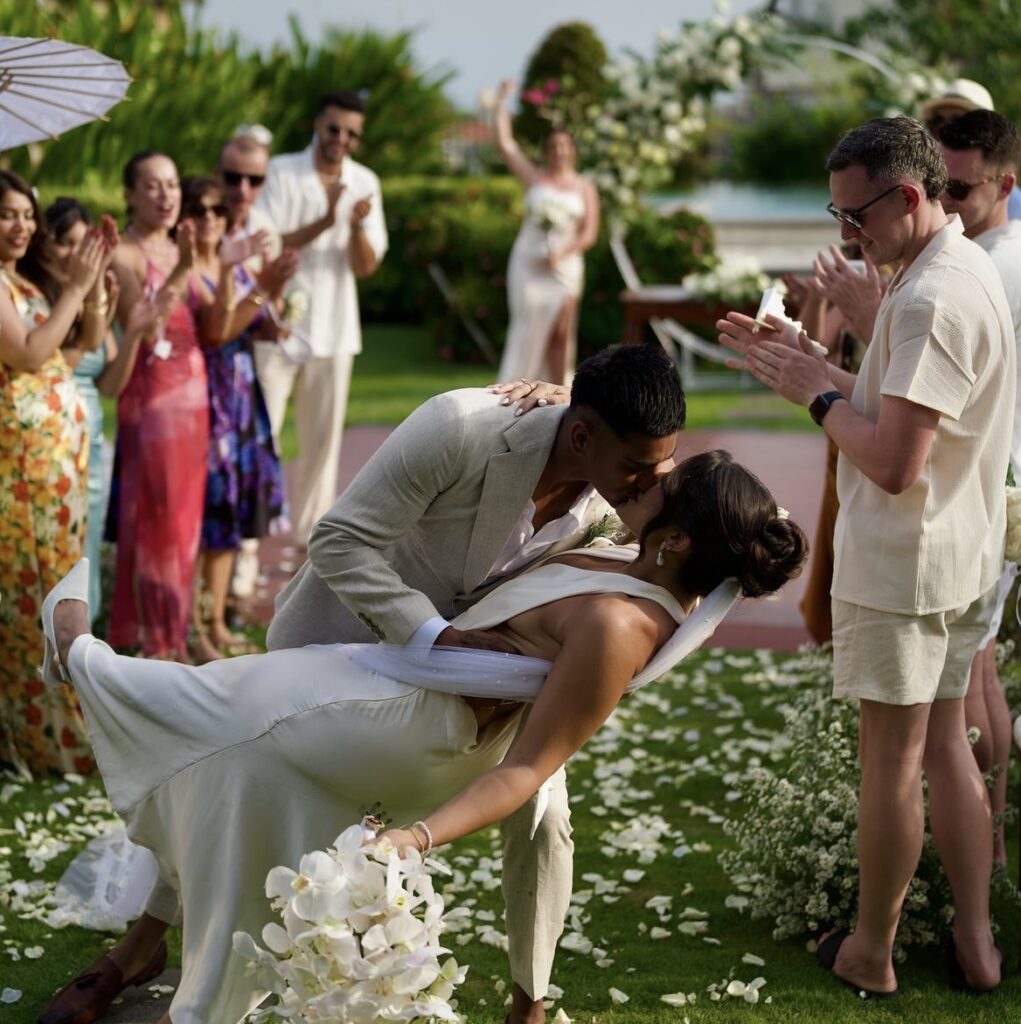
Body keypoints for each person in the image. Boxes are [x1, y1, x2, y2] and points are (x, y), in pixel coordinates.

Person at [41, 450, 808, 1024]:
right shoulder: (637, 555)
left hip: (414, 723)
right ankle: (155, 946)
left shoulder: (618, 626)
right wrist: (555, 400)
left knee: (214, 707)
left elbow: (530, 770)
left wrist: (417, 839)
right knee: (226, 750)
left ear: (675, 542)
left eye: (660, 486)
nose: (641, 476)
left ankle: (78, 654)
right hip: (401, 677)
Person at [718, 116, 1013, 997]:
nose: (847, 235)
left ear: (910, 197)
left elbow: (889, 462)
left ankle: (869, 953)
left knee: (889, 768)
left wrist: (813, 395)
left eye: (856, 217)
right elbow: (904, 413)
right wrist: (814, 366)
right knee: (947, 751)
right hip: (960, 554)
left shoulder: (927, 297)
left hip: (908, 562)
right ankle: (975, 943)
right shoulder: (957, 267)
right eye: (836, 213)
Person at [0, 171, 108, 777]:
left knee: (61, 590)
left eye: (25, 214)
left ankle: (65, 726)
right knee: (35, 597)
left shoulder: (19, 281)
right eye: (6, 214)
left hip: (53, 467)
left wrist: (89, 293)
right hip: (22, 471)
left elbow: (77, 349)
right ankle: (42, 740)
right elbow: (28, 354)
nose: (19, 225)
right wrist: (76, 287)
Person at [935, 109, 1021, 868]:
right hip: (995, 480)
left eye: (958, 189)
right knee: (980, 669)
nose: (944, 203)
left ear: (1005, 182)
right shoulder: (995, 250)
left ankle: (981, 841)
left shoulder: (988, 264)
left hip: (990, 484)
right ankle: (986, 837)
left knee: (967, 677)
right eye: (936, 185)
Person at [255, 90, 388, 545]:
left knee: (322, 447)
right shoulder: (280, 171)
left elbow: (366, 266)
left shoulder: (365, 180)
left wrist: (351, 226)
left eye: (352, 133)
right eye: (335, 128)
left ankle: (307, 547)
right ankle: (247, 549)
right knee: (261, 437)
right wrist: (328, 216)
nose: (342, 139)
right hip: (275, 325)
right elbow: (265, 243)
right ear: (317, 124)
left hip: (334, 330)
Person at [180, 175, 295, 660]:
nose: (210, 218)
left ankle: (219, 616)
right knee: (209, 514)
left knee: (231, 514)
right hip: (210, 399)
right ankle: (195, 621)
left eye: (216, 211)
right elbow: (216, 328)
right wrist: (256, 286)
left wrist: (275, 299)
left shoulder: (236, 259)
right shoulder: (189, 269)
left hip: (244, 393)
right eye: (200, 209)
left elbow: (252, 322)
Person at [106, 151, 210, 661]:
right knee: (156, 517)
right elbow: (141, 330)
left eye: (171, 184)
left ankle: (177, 626)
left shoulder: (180, 246)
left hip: (196, 400)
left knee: (186, 520)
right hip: (153, 402)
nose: (166, 195)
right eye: (152, 185)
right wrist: (185, 269)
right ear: (129, 193)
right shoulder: (125, 256)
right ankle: (155, 638)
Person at [19, 198, 121, 622]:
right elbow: (64, 358)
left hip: (83, 431)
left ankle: (84, 637)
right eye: (65, 243)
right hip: (44, 436)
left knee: (86, 537)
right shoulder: (32, 291)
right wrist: (84, 288)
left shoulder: (66, 289)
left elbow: (95, 341)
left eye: (85, 245)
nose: (75, 255)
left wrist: (94, 283)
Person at [215, 125, 284, 601]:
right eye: (233, 177)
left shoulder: (267, 235)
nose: (243, 190)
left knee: (253, 473)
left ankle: (239, 583)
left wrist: (275, 319)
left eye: (254, 180)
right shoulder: (202, 224)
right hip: (208, 373)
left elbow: (265, 313)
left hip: (249, 369)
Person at [495, 79, 600, 386]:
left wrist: (562, 252)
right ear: (546, 151)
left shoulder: (585, 186)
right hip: (529, 264)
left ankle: (560, 394)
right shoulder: (535, 179)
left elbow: (589, 232)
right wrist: (501, 103)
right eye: (553, 147)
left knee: (561, 333)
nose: (559, 152)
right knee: (528, 330)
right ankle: (518, 386)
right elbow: (505, 145)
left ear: (573, 151)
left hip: (564, 267)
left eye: (564, 146)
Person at [920, 78, 1021, 220]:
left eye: (958, 122)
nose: (944, 130)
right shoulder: (918, 177)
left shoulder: (1014, 206)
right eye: (937, 121)